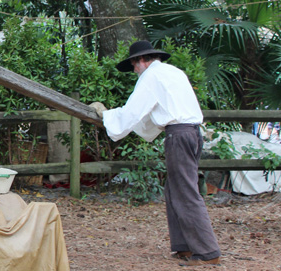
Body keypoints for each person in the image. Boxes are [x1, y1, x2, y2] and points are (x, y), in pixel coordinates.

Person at [88, 40, 221, 266]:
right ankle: (185, 247)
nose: (134, 70)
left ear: (141, 60)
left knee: (185, 192)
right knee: (174, 189)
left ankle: (207, 252)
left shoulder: (151, 77)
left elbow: (134, 111)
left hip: (179, 134)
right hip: (190, 132)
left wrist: (106, 115)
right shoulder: (173, 73)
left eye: (134, 65)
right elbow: (151, 114)